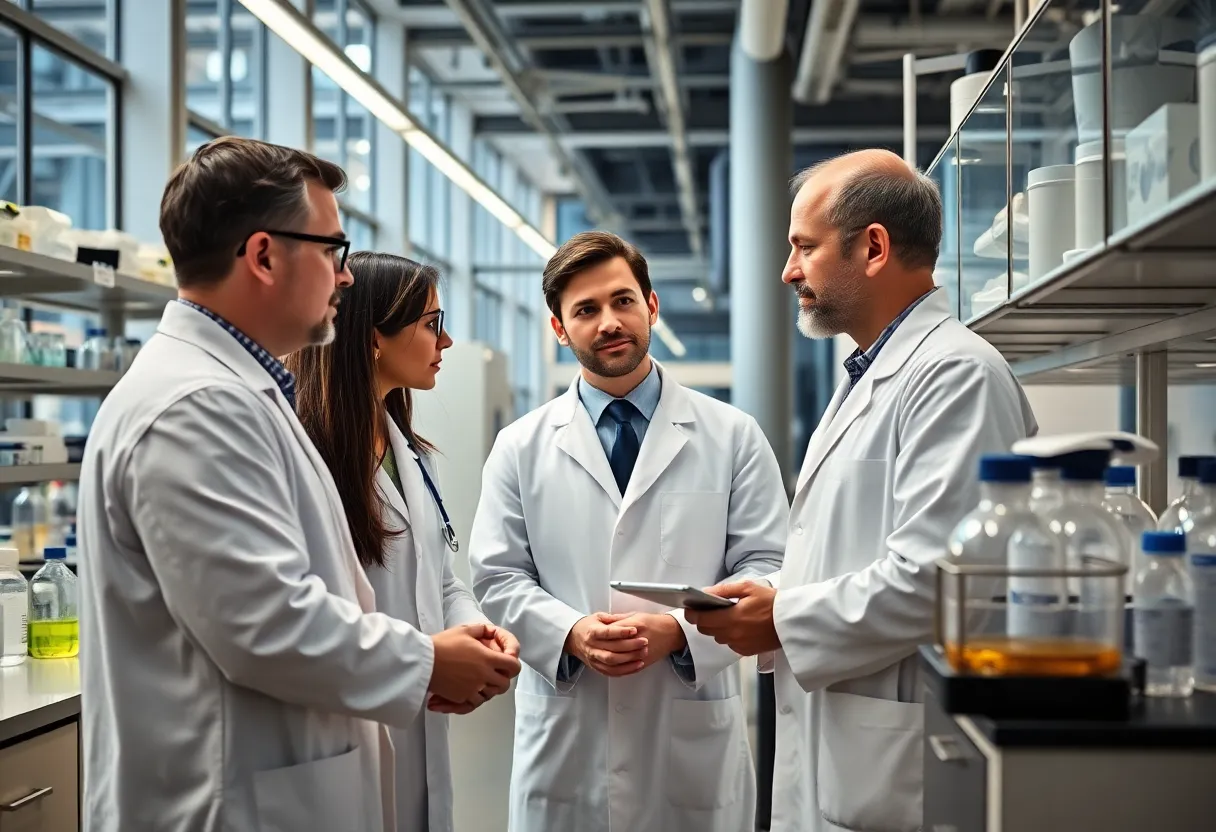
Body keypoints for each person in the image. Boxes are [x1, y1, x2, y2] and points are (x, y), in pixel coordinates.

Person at [77, 137, 520, 832]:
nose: (345, 278)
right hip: (228, 801)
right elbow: (264, 623)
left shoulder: (242, 394)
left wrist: (441, 648)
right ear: (263, 255)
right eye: (332, 251)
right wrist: (428, 662)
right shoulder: (196, 405)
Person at [687, 149, 1038, 832]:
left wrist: (781, 617)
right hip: (848, 734)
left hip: (894, 754)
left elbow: (941, 577)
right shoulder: (869, 373)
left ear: (872, 247)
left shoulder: (956, 375)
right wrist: (777, 598)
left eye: (804, 248)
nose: (789, 271)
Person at [467, 231, 788, 832]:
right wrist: (571, 632)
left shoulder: (732, 434)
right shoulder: (520, 446)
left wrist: (681, 633)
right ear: (560, 329)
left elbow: (769, 565)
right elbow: (496, 574)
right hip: (568, 730)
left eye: (622, 301)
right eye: (585, 310)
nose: (609, 322)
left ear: (652, 306)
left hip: (687, 725)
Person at [284, 251, 518, 832]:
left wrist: (477, 635)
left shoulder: (410, 453)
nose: (448, 341)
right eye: (431, 323)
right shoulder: (303, 454)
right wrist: (433, 661)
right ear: (373, 339)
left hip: (416, 712)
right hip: (342, 723)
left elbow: (437, 578)